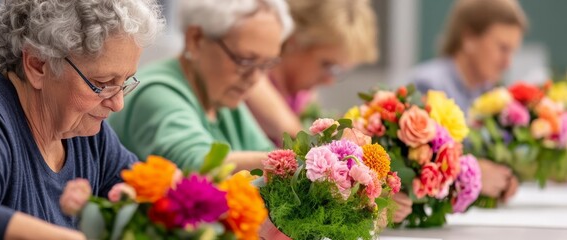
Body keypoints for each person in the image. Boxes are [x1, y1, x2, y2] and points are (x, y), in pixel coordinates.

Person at [0, 0, 164, 239]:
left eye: (125, 81)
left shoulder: (86, 134)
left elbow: (148, 194)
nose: (118, 103)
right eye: (102, 84)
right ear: (37, 64)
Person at [242, 0, 411, 223]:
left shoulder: (301, 94)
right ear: (294, 41)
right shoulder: (251, 78)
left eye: (339, 71)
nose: (330, 80)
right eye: (327, 64)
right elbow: (301, 140)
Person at [108, 0, 294, 172]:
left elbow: (264, 151)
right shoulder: (155, 92)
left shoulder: (221, 98)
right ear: (195, 39)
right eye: (244, 60)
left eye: (266, 65)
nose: (255, 78)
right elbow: (197, 165)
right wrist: (290, 163)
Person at [409, 0, 527, 202]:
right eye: (502, 48)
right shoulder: (427, 84)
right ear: (469, 38)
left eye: (512, 51)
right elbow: (415, 163)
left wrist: (504, 178)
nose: (508, 63)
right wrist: (473, 172)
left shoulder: (490, 93)